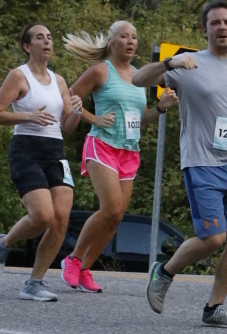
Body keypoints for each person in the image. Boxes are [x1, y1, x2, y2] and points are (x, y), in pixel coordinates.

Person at [133, 0, 227, 326]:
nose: (222, 28)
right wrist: (169, 63)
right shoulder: (188, 65)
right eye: (215, 23)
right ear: (204, 30)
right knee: (213, 238)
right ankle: (165, 272)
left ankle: (214, 307)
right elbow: (137, 79)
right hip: (202, 163)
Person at [63, 21, 164, 291]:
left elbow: (139, 119)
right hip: (102, 144)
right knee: (109, 208)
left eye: (134, 37)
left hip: (129, 150)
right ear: (111, 41)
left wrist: (160, 109)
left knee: (117, 215)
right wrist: (94, 118)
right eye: (124, 36)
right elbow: (69, 98)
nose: (131, 42)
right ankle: (73, 260)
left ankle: (85, 268)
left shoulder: (140, 77)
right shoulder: (100, 71)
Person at [0, 24, 83, 301]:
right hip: (26, 150)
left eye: (49, 38)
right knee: (43, 216)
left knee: (60, 219)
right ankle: (5, 242)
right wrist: (27, 116)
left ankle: (34, 283)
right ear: (27, 46)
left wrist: (77, 113)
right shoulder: (18, 76)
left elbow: (67, 125)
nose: (47, 42)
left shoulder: (59, 81)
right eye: (40, 37)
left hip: (55, 151)